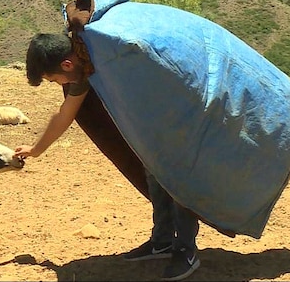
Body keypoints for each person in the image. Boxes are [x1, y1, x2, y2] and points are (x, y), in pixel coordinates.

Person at [15, 32, 201, 281]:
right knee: (153, 172)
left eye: (54, 80)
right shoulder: (82, 70)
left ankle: (186, 249)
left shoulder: (112, 56)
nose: (59, 85)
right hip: (150, 126)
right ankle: (163, 241)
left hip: (176, 111)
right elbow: (64, 115)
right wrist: (36, 149)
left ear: (66, 65)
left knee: (176, 179)